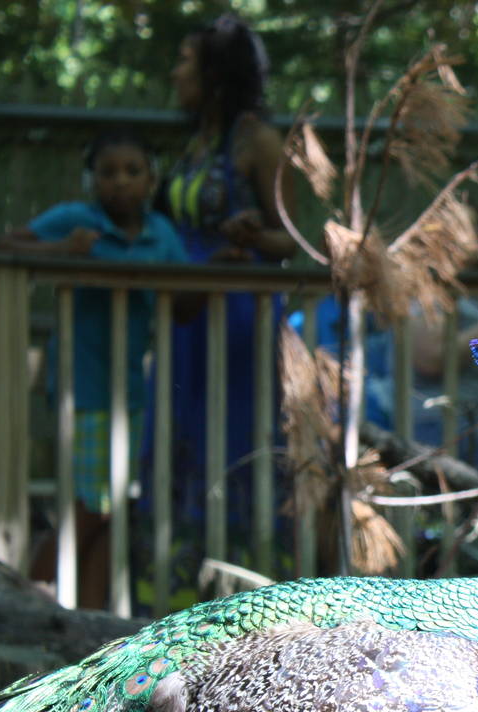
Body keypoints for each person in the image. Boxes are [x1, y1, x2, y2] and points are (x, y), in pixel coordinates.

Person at [0, 128, 189, 606]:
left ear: (151, 179)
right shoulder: (74, 220)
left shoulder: (161, 233)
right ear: (92, 179)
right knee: (90, 506)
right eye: (108, 172)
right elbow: (6, 245)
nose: (120, 182)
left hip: (131, 390)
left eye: (132, 171)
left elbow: (185, 301)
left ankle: (90, 618)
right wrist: (62, 251)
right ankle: (22, 599)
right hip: (82, 387)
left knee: (115, 511)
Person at [155, 13, 296, 578]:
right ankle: (175, 580)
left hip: (239, 317)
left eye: (186, 60)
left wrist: (254, 237)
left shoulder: (258, 141)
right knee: (181, 433)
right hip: (186, 313)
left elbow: (295, 236)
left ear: (215, 72)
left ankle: (247, 572)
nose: (175, 71)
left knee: (235, 437)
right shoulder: (196, 144)